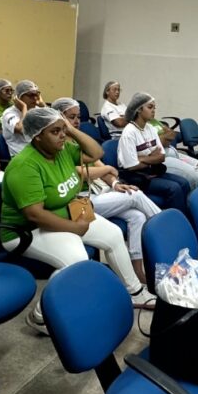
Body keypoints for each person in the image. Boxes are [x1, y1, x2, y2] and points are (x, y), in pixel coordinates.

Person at [0, 106, 150, 334]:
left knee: (113, 234)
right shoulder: (24, 166)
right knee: (77, 260)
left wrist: (68, 128)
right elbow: (35, 214)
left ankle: (135, 291)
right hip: (27, 230)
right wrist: (74, 228)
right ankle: (39, 316)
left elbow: (96, 153)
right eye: (55, 131)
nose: (63, 136)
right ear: (37, 136)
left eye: (63, 130)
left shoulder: (61, 150)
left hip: (64, 214)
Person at [54, 97, 159, 294]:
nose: (77, 121)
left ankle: (137, 270)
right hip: (82, 201)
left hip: (100, 192)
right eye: (72, 117)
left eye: (78, 117)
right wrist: (107, 171)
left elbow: (100, 165)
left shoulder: (76, 140)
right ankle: (164, 230)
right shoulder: (58, 145)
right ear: (60, 117)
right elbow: (81, 172)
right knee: (135, 195)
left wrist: (115, 182)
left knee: (138, 216)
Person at [116, 92, 190, 213]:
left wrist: (143, 158)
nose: (153, 111)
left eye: (154, 108)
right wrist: (151, 157)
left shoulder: (150, 128)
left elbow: (161, 156)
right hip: (137, 176)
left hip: (151, 171)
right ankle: (172, 224)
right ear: (139, 109)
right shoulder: (129, 132)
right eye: (150, 107)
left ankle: (184, 219)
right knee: (175, 188)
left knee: (184, 183)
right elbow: (131, 166)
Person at [0, 79, 43, 158]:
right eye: (31, 95)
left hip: (39, 152)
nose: (35, 98)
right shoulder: (9, 113)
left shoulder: (36, 110)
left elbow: (54, 122)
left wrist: (42, 105)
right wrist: (24, 107)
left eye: (36, 94)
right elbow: (21, 129)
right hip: (21, 155)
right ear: (19, 98)